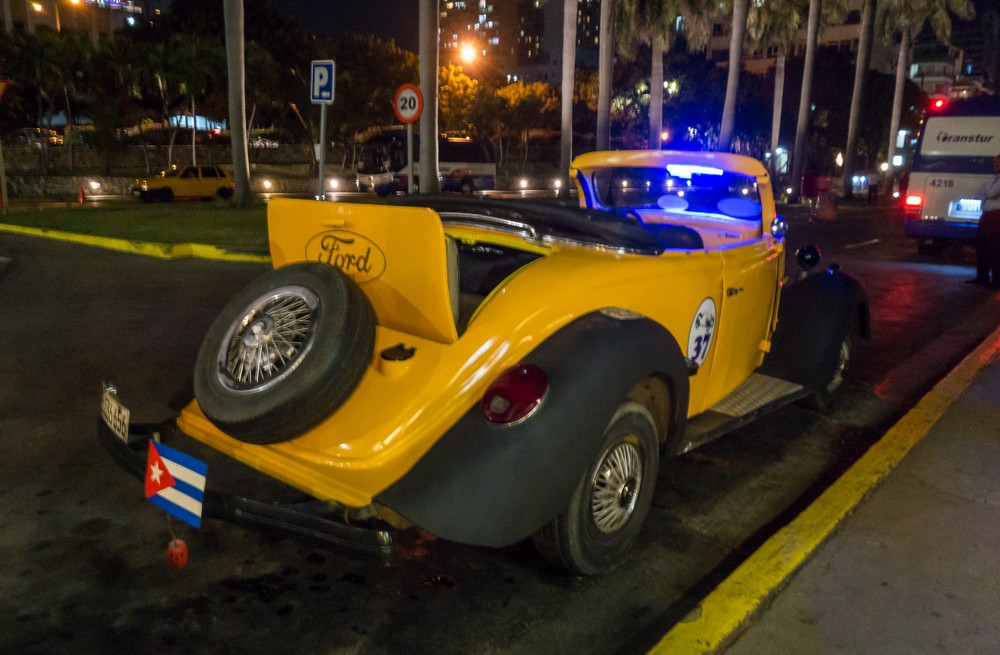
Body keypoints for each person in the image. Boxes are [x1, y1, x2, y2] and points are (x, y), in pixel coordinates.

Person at [969, 154, 1000, 287]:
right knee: (982, 247)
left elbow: (991, 193)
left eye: (998, 163)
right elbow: (978, 194)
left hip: (996, 216)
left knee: (995, 249)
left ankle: (997, 280)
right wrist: (986, 193)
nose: (996, 166)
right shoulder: (992, 179)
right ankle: (982, 277)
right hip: (986, 215)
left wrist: (986, 193)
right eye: (995, 163)